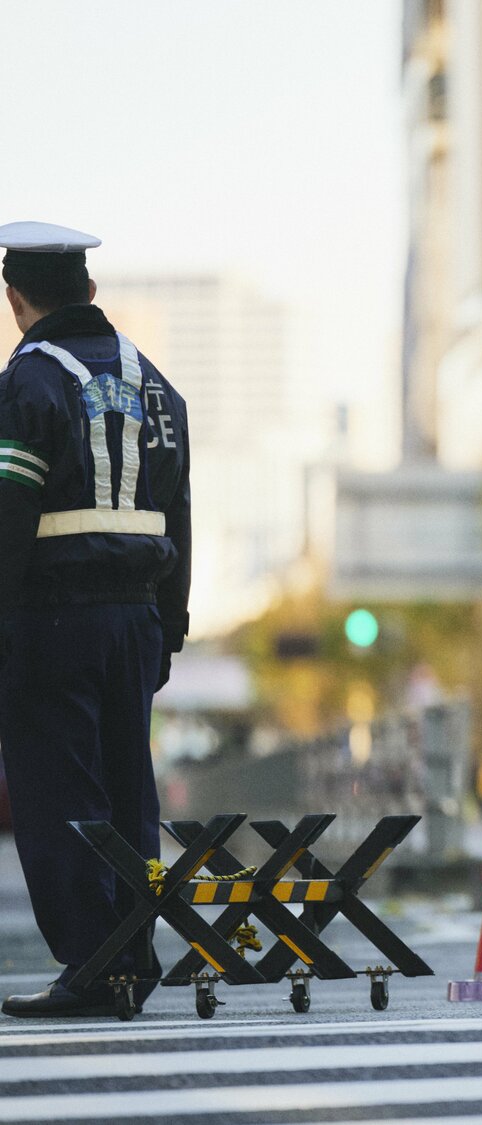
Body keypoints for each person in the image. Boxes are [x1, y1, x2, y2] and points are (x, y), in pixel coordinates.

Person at [0, 222, 191, 1017]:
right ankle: (132, 956)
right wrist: (171, 627)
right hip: (137, 619)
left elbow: (10, 515)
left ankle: (89, 960)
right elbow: (180, 515)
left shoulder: (27, 383)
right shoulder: (157, 385)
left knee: (59, 788)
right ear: (90, 289)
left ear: (16, 299)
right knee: (127, 789)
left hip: (51, 622)